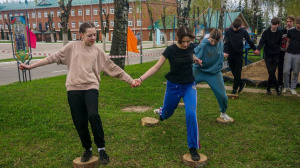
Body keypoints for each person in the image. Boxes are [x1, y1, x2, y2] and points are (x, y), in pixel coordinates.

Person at [19, 22, 136, 164]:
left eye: (95, 34)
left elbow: (113, 68)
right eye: (90, 35)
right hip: (73, 88)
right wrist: (30, 66)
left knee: (93, 115)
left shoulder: (98, 51)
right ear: (81, 35)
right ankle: (87, 149)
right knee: (80, 121)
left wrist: (130, 80)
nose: (93, 37)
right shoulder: (71, 47)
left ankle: (101, 149)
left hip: (91, 87)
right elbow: (52, 58)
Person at [134, 26, 202, 161]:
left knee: (191, 113)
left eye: (188, 42)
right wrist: (141, 78)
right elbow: (156, 66)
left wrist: (196, 59)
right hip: (173, 87)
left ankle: (193, 147)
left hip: (189, 85)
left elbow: (191, 54)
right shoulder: (170, 50)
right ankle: (162, 112)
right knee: (167, 113)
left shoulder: (190, 47)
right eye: (183, 41)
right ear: (178, 39)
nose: (186, 44)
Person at [193, 29, 233, 122]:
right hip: (199, 70)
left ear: (219, 40)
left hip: (214, 73)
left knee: (222, 95)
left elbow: (215, 52)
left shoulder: (220, 43)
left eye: (215, 41)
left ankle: (223, 113)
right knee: (181, 86)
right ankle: (166, 107)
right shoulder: (203, 44)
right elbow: (193, 55)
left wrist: (222, 54)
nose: (213, 43)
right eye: (211, 40)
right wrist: (196, 60)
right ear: (209, 38)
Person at [224, 18, 256, 94]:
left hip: (239, 54)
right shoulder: (228, 31)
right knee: (233, 70)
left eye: (237, 28)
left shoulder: (243, 31)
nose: (235, 29)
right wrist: (225, 52)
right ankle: (241, 83)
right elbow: (226, 42)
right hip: (230, 54)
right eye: (234, 27)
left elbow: (249, 40)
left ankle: (234, 89)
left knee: (238, 72)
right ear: (232, 25)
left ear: (240, 26)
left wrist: (255, 48)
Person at [254, 17, 282, 95]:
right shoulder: (266, 32)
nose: (273, 26)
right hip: (268, 54)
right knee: (270, 71)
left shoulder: (279, 34)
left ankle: (268, 88)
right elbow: (262, 42)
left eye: (275, 25)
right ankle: (277, 87)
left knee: (272, 71)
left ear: (278, 25)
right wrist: (258, 49)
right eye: (272, 24)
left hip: (276, 54)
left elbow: (279, 43)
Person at [282, 15, 300, 95]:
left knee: (296, 72)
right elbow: (288, 41)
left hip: (298, 54)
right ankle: (286, 86)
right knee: (286, 71)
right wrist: (286, 51)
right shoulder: (290, 31)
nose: (298, 25)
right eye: (297, 23)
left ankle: (293, 88)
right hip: (289, 53)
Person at [278, 15, 295, 91]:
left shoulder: (295, 31)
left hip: (291, 52)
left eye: (290, 21)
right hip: (282, 52)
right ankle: (280, 84)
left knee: (290, 69)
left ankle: (288, 84)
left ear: (293, 22)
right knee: (281, 68)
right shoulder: (282, 31)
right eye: (287, 21)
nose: (288, 23)